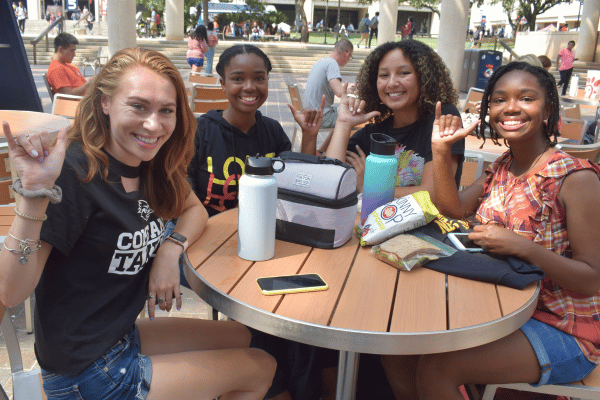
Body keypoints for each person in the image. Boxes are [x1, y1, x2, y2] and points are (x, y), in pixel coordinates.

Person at [0, 47, 277, 400]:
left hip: (121, 336)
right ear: (104, 103)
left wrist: (168, 249)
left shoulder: (150, 161)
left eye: (166, 111)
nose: (153, 124)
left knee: (243, 336)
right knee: (261, 367)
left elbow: (195, 211)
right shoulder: (74, 172)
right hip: (85, 374)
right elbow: (10, 292)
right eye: (138, 106)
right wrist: (34, 196)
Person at [382, 60, 600, 399]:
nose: (510, 107)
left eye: (526, 98)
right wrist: (440, 150)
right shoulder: (502, 166)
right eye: (499, 99)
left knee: (437, 368)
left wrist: (523, 247)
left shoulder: (576, 179)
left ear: (548, 111)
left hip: (564, 327)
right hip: (497, 308)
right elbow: (452, 210)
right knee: (399, 347)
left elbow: (592, 278)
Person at [187, 44, 331, 400]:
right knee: (263, 312)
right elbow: (183, 201)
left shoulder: (271, 132)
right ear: (222, 83)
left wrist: (308, 135)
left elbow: (296, 185)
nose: (249, 87)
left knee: (307, 302)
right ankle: (269, 382)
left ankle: (293, 380)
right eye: (238, 78)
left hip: (266, 242)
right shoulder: (201, 132)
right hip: (212, 250)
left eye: (259, 78)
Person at [323, 40, 464, 200]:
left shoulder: (442, 118)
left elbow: (434, 195)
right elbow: (330, 181)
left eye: (404, 73)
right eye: (384, 75)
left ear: (424, 77)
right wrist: (343, 123)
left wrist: (367, 187)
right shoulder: (374, 133)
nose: (391, 83)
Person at [304, 39, 355, 131]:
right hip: (321, 117)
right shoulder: (332, 64)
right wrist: (353, 90)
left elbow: (335, 86)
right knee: (357, 116)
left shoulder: (321, 61)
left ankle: (333, 144)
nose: (348, 60)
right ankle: (346, 145)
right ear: (347, 54)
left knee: (346, 113)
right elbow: (340, 93)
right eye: (350, 57)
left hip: (309, 114)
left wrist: (348, 88)